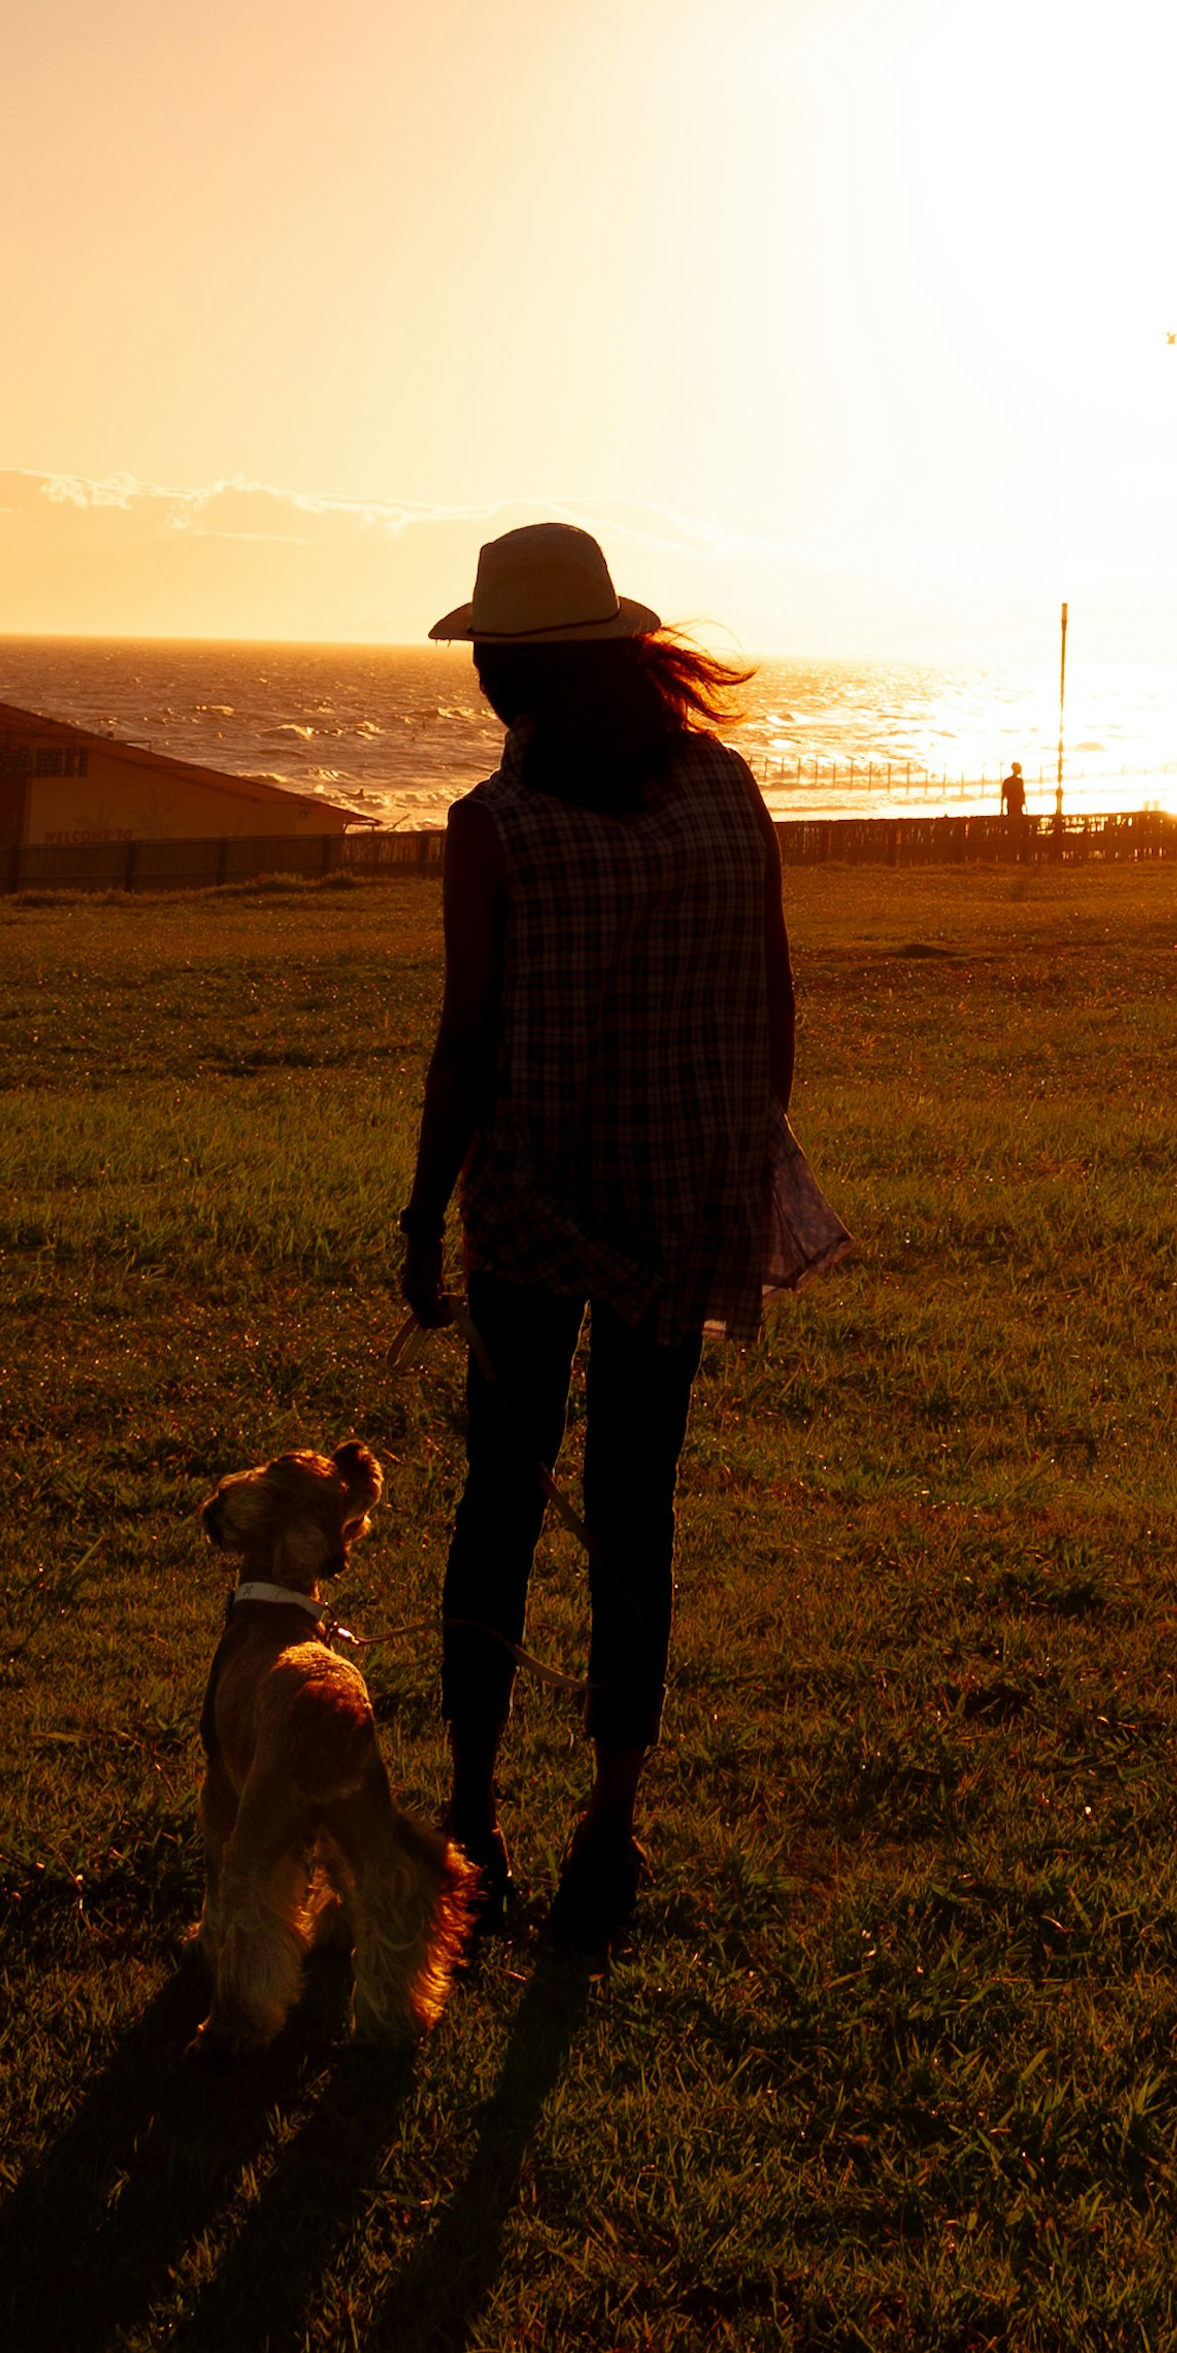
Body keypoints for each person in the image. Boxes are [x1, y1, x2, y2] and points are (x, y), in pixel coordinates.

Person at [399, 518, 794, 1954]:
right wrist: (748, 1162)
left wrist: (418, 1216)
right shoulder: (725, 792)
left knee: (498, 1514)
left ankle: (471, 1817)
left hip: (532, 1204)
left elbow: (466, 1050)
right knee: (640, 1514)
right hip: (684, 1195)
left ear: (507, 677)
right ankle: (611, 1823)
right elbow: (773, 998)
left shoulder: (496, 829)